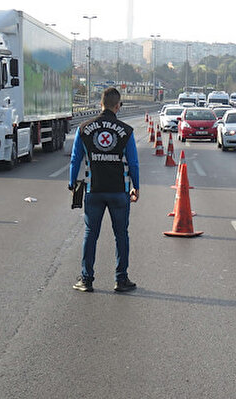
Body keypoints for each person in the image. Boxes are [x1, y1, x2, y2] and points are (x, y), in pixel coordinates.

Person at [69, 87, 140, 293]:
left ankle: (86, 279)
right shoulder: (126, 131)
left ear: (101, 104)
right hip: (119, 191)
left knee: (90, 234)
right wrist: (136, 186)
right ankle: (121, 279)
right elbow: (134, 163)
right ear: (118, 106)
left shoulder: (83, 128)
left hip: (94, 190)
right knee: (121, 235)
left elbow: (75, 159)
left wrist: (73, 183)